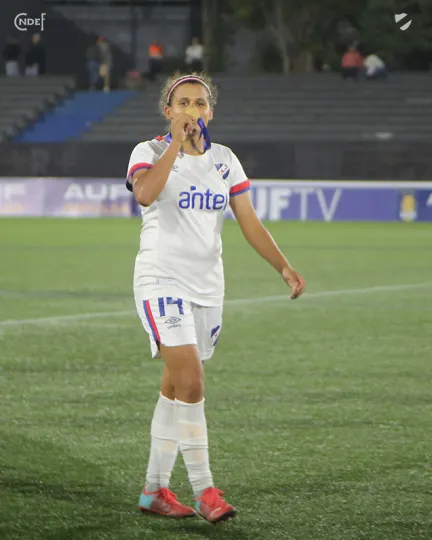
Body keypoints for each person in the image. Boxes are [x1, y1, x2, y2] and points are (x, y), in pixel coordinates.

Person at [125, 72, 306, 523]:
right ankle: (205, 491)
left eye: (200, 103)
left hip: (207, 286)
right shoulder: (148, 151)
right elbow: (144, 194)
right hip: (161, 279)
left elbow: (248, 221)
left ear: (211, 112)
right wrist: (175, 144)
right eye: (183, 103)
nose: (192, 110)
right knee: (192, 381)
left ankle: (154, 490)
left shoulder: (224, 160)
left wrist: (283, 266)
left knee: (175, 387)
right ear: (168, 111)